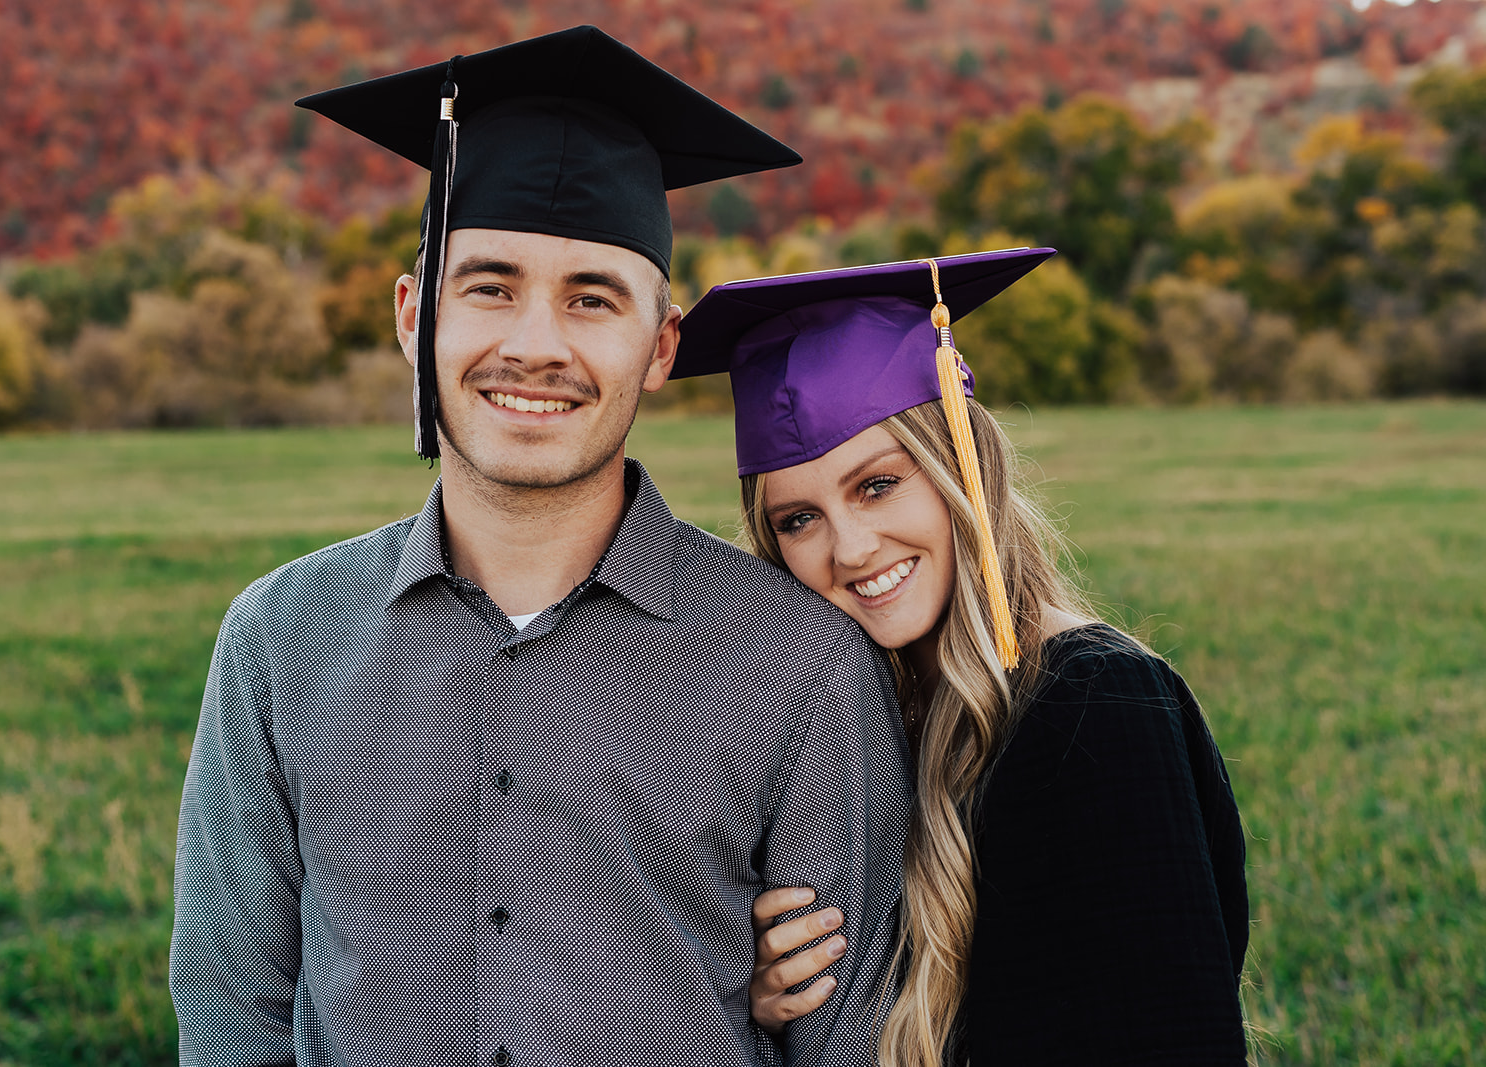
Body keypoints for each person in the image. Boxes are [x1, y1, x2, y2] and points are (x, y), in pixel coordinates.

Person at [169, 27, 913, 1067]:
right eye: (489, 285)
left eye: (592, 298)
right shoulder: (280, 642)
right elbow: (232, 1015)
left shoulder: (799, 668)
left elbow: (847, 1045)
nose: (535, 344)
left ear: (659, 346)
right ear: (412, 313)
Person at [670, 253, 1251, 1066]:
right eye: (800, 518)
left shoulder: (1094, 709)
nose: (850, 548)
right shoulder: (875, 725)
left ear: (961, 469)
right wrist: (767, 1000)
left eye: (876, 484)